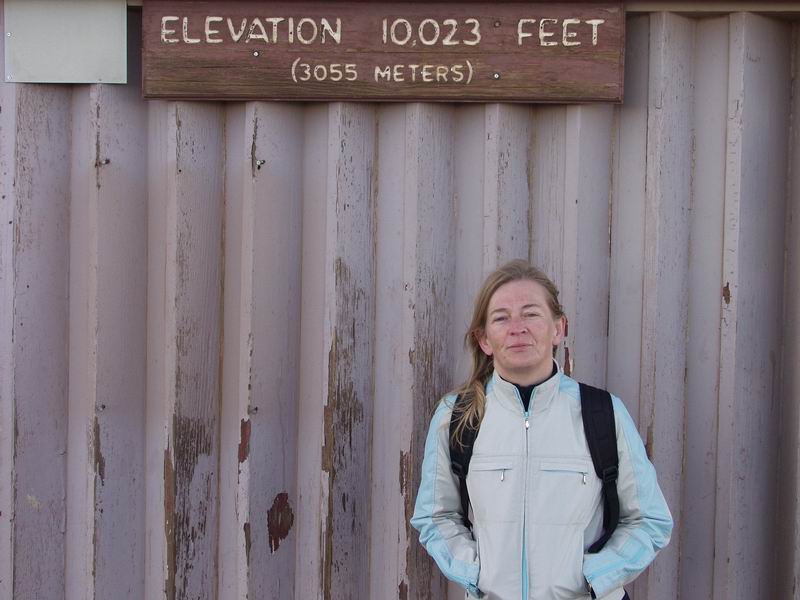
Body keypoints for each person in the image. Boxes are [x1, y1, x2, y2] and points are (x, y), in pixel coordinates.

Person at [410, 260, 672, 600]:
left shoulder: (603, 413)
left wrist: (593, 578)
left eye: (531, 314)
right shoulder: (456, 416)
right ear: (484, 339)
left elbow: (649, 520)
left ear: (558, 328)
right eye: (501, 318)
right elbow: (436, 516)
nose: (517, 328)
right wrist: (477, 575)